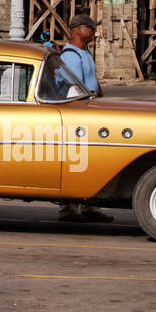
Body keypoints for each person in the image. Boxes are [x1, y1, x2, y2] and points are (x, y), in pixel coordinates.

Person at [57, 13, 112, 224]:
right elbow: (76, 87)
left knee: (92, 162)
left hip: (90, 111)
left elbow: (92, 82)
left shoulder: (85, 52)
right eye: (90, 28)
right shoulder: (70, 56)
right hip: (78, 116)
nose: (93, 31)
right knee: (77, 162)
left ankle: (90, 205)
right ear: (78, 29)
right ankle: (69, 208)